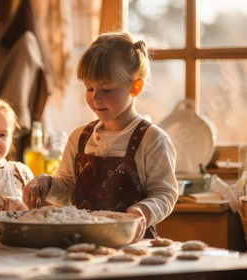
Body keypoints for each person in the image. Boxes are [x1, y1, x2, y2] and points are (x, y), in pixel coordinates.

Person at [22, 32, 178, 242]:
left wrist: (143, 211)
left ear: (135, 87)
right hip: (80, 241)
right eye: (89, 88)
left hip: (132, 245)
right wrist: (47, 183)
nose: (95, 97)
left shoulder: (152, 140)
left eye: (106, 89)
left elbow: (165, 194)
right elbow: (67, 189)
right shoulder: (79, 138)